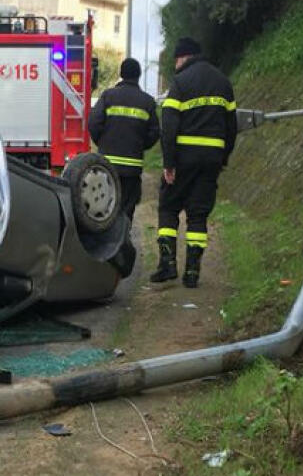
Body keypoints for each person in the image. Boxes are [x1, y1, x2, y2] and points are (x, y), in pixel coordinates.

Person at [150, 37, 237, 288]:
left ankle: (167, 265)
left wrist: (169, 163)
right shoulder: (223, 82)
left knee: (168, 207)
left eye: (176, 60)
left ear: (183, 57)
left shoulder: (180, 83)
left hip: (184, 157)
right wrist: (223, 157)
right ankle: (192, 271)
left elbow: (169, 127)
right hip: (211, 159)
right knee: (198, 214)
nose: (175, 65)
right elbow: (231, 127)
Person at [88, 58, 161, 220]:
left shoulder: (108, 96)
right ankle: (123, 240)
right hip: (132, 168)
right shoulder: (147, 102)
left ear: (121, 74)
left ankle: (108, 241)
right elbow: (155, 132)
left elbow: (93, 122)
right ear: (139, 76)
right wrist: (141, 145)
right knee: (127, 209)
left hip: (108, 165)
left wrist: (102, 142)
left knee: (108, 207)